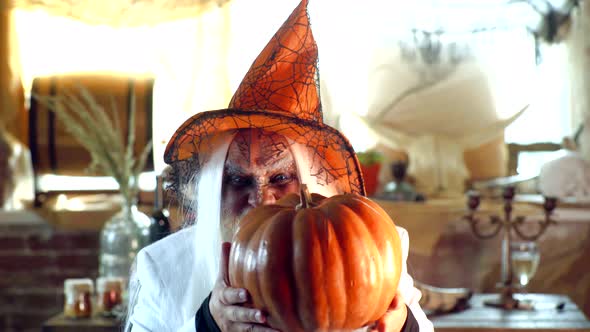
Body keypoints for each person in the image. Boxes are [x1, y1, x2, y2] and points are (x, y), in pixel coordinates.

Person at [125, 1, 434, 331]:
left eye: (281, 177)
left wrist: (403, 325)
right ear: (215, 186)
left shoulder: (374, 246)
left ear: (309, 183)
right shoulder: (162, 268)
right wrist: (208, 324)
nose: (261, 199)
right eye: (239, 180)